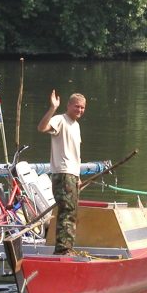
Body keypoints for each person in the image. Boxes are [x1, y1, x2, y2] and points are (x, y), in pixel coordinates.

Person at [37, 90, 86, 255]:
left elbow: (75, 155)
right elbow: (42, 127)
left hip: (72, 175)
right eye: (76, 107)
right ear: (69, 106)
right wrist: (53, 108)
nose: (79, 110)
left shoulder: (76, 125)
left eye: (82, 108)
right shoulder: (60, 120)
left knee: (71, 211)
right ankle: (63, 250)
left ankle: (66, 248)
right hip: (63, 173)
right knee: (67, 212)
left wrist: (78, 177)